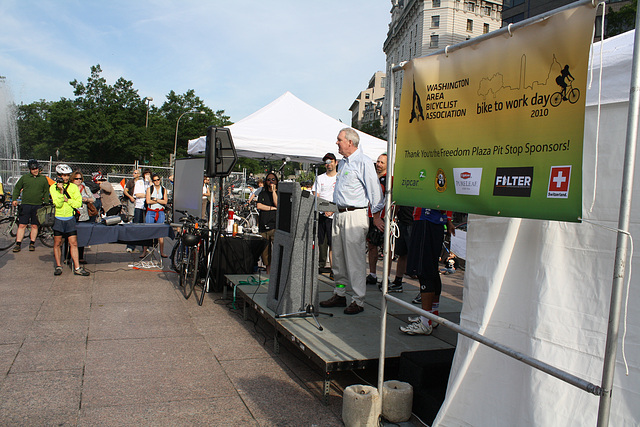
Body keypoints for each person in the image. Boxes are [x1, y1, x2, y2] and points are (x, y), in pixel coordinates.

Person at [319, 128, 384, 315]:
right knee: (338, 259)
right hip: (339, 214)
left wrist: (377, 216)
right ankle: (340, 293)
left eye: (339, 140)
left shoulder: (363, 162)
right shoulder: (345, 163)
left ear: (350, 142)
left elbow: (375, 191)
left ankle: (358, 299)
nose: (337, 143)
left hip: (355, 215)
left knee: (354, 260)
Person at [400, 208, 454, 335]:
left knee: (424, 270)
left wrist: (449, 220)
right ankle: (431, 316)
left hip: (427, 220)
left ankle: (425, 322)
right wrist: (449, 220)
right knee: (431, 270)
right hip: (431, 221)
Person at [50, 164, 89, 276]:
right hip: (59, 217)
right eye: (63, 175)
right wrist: (61, 192)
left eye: (67, 175)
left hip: (70, 218)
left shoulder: (73, 187)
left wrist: (68, 200)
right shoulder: (53, 187)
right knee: (57, 243)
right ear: (58, 175)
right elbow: (57, 203)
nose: (65, 178)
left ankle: (77, 267)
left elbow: (78, 203)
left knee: (73, 243)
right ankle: (58, 266)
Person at [11, 159, 51, 253]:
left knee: (34, 225)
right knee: (22, 225)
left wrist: (45, 203)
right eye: (33, 169)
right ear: (29, 169)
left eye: (36, 168)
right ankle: (18, 244)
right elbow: (17, 188)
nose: (35, 170)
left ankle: (32, 243)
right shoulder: (24, 178)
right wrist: (14, 199)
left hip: (38, 206)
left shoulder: (43, 179)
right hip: (26, 205)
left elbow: (46, 192)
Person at [311, 152, 337, 277]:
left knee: (333, 244)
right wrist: (323, 208)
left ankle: (334, 270)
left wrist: (332, 209)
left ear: (336, 162)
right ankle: (320, 266)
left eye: (331, 161)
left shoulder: (340, 178)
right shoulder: (320, 178)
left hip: (335, 216)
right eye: (326, 162)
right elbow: (316, 194)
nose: (328, 164)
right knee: (321, 242)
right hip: (322, 214)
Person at [366, 153, 390, 288]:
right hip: (370, 216)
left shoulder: (390, 179)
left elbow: (392, 201)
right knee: (371, 246)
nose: (379, 164)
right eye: (378, 162)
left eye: (382, 162)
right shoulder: (372, 178)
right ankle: (373, 274)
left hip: (382, 218)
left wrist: (384, 217)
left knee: (386, 248)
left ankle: (386, 279)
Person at [256, 172, 278, 274]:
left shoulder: (279, 193)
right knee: (265, 253)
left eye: (273, 179)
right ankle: (268, 272)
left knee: (277, 250)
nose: (271, 182)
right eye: (269, 180)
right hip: (264, 225)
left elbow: (277, 204)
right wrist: (271, 208)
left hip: (275, 226)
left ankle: (276, 272)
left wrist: (273, 191)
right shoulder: (262, 193)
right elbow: (259, 206)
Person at [72, 170, 95, 264]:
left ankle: (80, 256)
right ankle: (68, 256)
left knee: (81, 237)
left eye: (80, 178)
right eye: (76, 178)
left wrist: (87, 199)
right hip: (72, 215)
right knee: (71, 237)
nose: (78, 180)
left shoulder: (85, 188)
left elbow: (93, 198)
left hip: (83, 215)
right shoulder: (70, 188)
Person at [143, 173, 168, 258]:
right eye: (155, 180)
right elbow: (148, 201)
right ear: (153, 181)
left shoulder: (163, 189)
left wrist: (155, 199)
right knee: (147, 231)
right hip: (151, 211)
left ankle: (162, 252)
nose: (157, 181)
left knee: (161, 233)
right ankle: (144, 251)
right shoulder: (149, 189)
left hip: (160, 211)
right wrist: (159, 201)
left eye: (158, 180)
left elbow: (165, 202)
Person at [126, 168, 149, 253]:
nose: (147, 176)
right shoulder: (139, 182)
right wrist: (147, 195)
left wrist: (150, 182)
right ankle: (131, 245)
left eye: (149, 174)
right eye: (146, 174)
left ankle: (145, 247)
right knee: (136, 225)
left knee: (146, 227)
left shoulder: (151, 183)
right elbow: (137, 194)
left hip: (147, 207)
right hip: (139, 206)